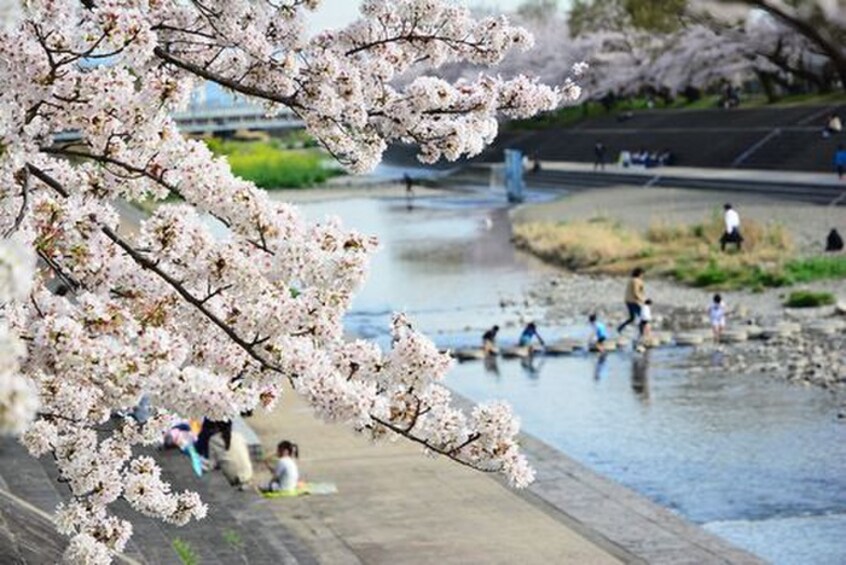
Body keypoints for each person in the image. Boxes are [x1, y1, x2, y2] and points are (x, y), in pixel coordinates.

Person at [206, 420, 254, 488]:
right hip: (248, 474)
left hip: (234, 478)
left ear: (216, 426)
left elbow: (212, 465)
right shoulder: (239, 436)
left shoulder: (213, 440)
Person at [617, 267, 645, 334]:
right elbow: (636, 292)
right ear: (639, 274)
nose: (643, 276)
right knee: (642, 317)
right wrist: (643, 300)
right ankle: (641, 333)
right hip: (633, 301)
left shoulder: (631, 280)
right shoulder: (637, 281)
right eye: (642, 274)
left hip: (627, 301)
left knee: (632, 318)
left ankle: (620, 328)